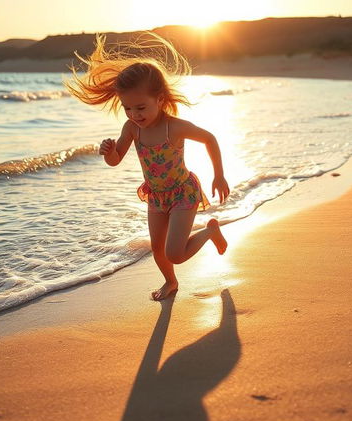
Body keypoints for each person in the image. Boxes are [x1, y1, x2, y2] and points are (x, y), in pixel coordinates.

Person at [65, 31, 230, 301]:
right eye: (127, 108)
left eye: (140, 107)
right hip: (156, 195)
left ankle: (210, 231)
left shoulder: (174, 127)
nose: (133, 115)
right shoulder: (132, 128)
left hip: (181, 193)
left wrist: (219, 176)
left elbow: (209, 138)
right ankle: (171, 283)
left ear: (160, 99)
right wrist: (107, 152)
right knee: (157, 248)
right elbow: (115, 160)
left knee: (175, 252)